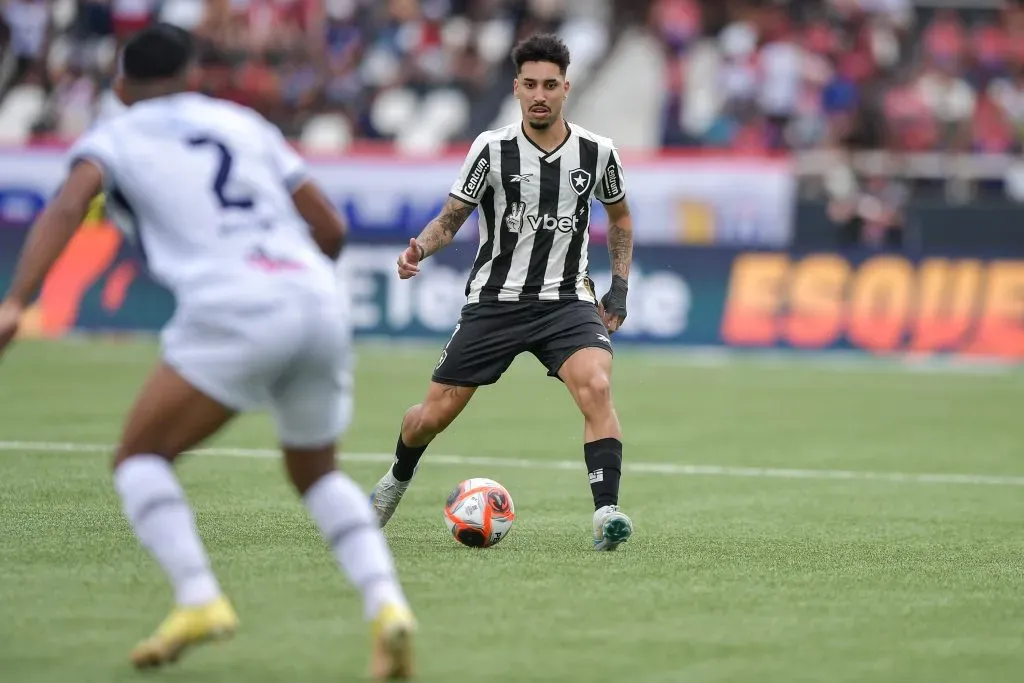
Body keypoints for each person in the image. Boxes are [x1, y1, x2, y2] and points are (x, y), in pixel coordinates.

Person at [0, 24, 416, 679]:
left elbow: (68, 205)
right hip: (316, 297)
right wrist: (297, 286)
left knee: (139, 457)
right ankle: (387, 605)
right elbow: (330, 226)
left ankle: (198, 597)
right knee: (318, 474)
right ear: (192, 77)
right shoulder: (242, 123)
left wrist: (15, 301)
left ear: (120, 86)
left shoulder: (114, 135)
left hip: (231, 303)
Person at [370, 33, 635, 551]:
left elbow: (620, 216)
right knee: (430, 418)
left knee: (597, 386)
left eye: (550, 85)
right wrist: (420, 249)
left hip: (566, 301)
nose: (540, 94)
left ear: (566, 88)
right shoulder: (491, 149)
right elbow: (451, 218)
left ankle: (607, 512)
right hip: (495, 302)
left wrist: (619, 287)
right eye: (530, 84)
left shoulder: (597, 152)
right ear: (516, 87)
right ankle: (395, 480)